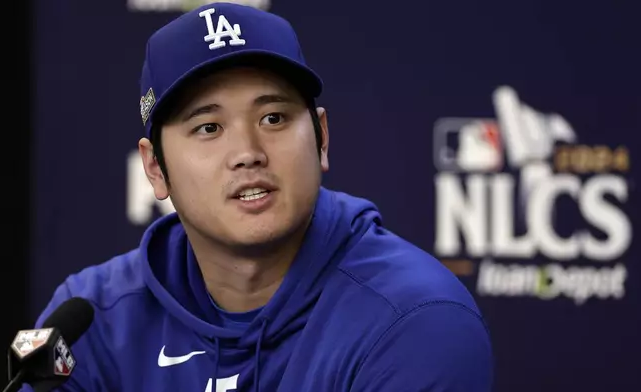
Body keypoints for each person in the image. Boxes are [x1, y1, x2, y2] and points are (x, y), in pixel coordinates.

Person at [27, 2, 493, 391]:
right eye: (208, 128)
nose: (248, 153)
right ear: (156, 168)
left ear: (321, 137)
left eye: (273, 118)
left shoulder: (417, 322)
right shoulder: (91, 317)